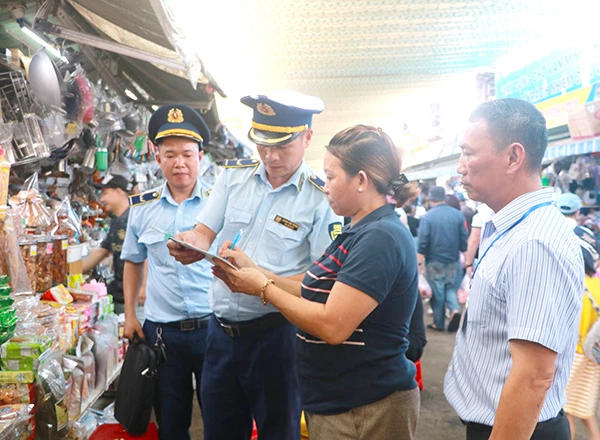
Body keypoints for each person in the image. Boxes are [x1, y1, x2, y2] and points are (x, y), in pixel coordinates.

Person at [212, 125, 421, 440]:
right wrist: (256, 271)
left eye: (331, 177)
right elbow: (315, 291)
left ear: (361, 181)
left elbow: (333, 326)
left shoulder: (380, 237)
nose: (325, 186)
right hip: (340, 400)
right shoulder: (357, 230)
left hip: (364, 405)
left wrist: (262, 289)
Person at [168, 91, 342, 440]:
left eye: (283, 146)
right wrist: (191, 243)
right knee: (219, 430)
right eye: (263, 145)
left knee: (278, 430)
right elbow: (204, 233)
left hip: (277, 337)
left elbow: (321, 281)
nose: (271, 156)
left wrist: (260, 281)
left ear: (307, 138)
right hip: (219, 335)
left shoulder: (321, 198)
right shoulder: (233, 177)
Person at [444, 98, 584, 440]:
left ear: (513, 157)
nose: (460, 167)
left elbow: (533, 377)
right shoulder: (509, 227)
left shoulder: (534, 242)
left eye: (468, 153)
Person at [120, 104, 214, 440]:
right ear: (157, 157)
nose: (180, 163)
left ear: (200, 156)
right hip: (163, 334)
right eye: (170, 154)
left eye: (187, 154)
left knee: (220, 417)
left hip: (212, 327)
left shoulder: (219, 204)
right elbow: (132, 261)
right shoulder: (142, 208)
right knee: (172, 424)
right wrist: (131, 314)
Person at [559, 198, 600, 440]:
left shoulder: (574, 286)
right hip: (593, 355)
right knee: (585, 409)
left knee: (566, 412)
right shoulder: (596, 285)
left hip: (574, 356)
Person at [82, 174, 143, 315]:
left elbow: (146, 256)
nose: (102, 199)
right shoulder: (117, 221)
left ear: (118, 191)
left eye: (105, 193)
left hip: (136, 298)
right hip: (120, 294)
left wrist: (144, 287)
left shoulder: (134, 218)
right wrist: (71, 271)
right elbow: (103, 251)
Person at [417, 185, 468, 332]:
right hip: (454, 260)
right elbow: (464, 239)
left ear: (431, 199)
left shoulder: (428, 217)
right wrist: (468, 262)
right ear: (444, 198)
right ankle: (454, 310)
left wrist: (419, 264)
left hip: (434, 261)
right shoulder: (457, 215)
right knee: (451, 289)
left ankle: (438, 324)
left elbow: (423, 243)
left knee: (437, 292)